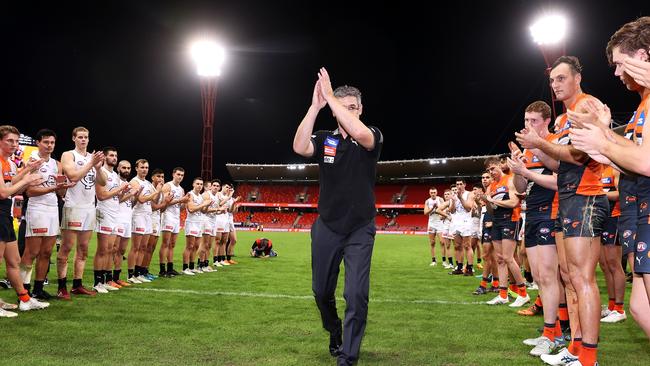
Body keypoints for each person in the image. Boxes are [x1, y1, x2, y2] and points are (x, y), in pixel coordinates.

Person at [517, 56, 608, 366]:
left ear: (577, 78)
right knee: (571, 278)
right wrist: (537, 148)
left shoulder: (586, 106)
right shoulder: (568, 115)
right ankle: (576, 348)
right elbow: (561, 162)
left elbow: (578, 154)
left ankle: (588, 358)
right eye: (552, 80)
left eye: (561, 78)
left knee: (582, 280)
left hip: (585, 196)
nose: (555, 84)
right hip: (570, 198)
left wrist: (539, 143)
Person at [293, 67, 382, 366]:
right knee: (321, 292)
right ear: (333, 111)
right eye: (343, 108)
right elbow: (299, 146)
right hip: (327, 227)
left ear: (361, 109)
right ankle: (334, 332)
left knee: (356, 294)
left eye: (354, 107)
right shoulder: (325, 140)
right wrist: (315, 106)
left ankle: (348, 357)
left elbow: (358, 131)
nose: (350, 113)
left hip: (360, 228)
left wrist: (330, 96)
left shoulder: (371, 136)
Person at [568, 16, 650, 341]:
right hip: (640, 207)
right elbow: (634, 158)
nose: (616, 73)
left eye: (620, 63)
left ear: (644, 54)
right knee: (641, 308)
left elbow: (646, 162)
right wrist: (604, 135)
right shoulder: (643, 102)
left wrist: (603, 141)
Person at [0, 125, 50, 317]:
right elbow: (3, 192)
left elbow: (11, 184)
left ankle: (25, 299)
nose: (14, 144)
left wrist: (27, 171)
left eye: (16, 140)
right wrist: (27, 180)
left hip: (5, 215)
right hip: (0, 213)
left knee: (14, 261)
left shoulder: (10, 163)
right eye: (9, 140)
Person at [20, 129, 74, 300]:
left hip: (52, 209)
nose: (50, 145)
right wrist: (54, 188)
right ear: (38, 142)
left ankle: (37, 289)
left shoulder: (57, 164)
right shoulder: (32, 161)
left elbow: (60, 193)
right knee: (32, 252)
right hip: (36, 209)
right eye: (46, 142)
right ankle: (24, 291)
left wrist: (65, 187)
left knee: (46, 253)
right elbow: (29, 191)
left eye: (52, 142)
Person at [57, 127, 106, 298]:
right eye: (80, 137)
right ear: (74, 138)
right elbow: (73, 176)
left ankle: (77, 285)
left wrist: (98, 168)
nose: (83, 140)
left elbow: (103, 182)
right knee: (67, 247)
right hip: (73, 206)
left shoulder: (91, 159)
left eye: (86, 137)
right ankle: (61, 286)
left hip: (89, 207)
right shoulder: (68, 155)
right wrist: (91, 163)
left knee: (83, 248)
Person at [423, 187, 446, 266]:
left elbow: (444, 210)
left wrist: (438, 209)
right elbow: (425, 212)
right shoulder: (427, 201)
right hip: (431, 223)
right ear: (429, 193)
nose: (433, 194)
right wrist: (432, 208)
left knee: (442, 242)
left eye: (434, 192)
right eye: (431, 192)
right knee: (432, 243)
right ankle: (433, 260)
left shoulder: (440, 200)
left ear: (437, 192)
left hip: (439, 223)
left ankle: (444, 261)